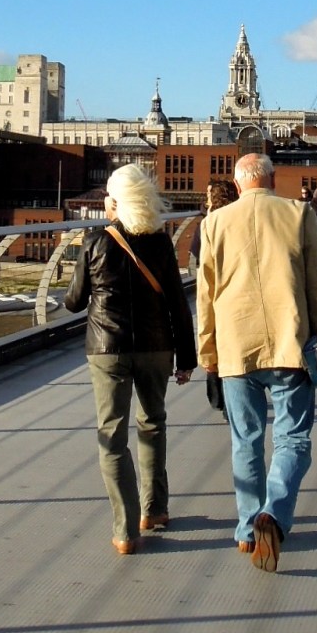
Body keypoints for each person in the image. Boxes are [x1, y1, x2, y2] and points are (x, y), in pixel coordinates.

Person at [196, 152, 317, 572]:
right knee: (293, 440)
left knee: (246, 440)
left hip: (237, 346)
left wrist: (207, 350)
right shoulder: (298, 213)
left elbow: (206, 294)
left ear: (238, 185)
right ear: (272, 181)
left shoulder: (212, 223)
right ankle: (272, 514)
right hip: (291, 343)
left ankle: (246, 529)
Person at [64, 164, 196, 556]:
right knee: (153, 423)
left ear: (117, 201)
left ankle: (125, 530)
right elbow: (177, 302)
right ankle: (154, 510)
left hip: (108, 349)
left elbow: (74, 302)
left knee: (112, 436)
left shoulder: (96, 241)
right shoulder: (160, 242)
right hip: (157, 347)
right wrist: (186, 357)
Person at [203, 179, 239, 418]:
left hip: (217, 293)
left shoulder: (210, 223)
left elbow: (200, 256)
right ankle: (230, 402)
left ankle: (219, 398)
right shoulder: (240, 218)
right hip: (235, 293)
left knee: (216, 343)